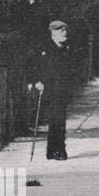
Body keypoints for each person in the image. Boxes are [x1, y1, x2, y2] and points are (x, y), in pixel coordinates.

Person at [33, 20, 73, 161]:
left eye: (65, 31)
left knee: (58, 120)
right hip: (49, 90)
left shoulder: (65, 49)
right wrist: (36, 81)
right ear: (54, 32)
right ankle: (58, 150)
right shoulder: (44, 49)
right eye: (62, 31)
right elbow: (34, 66)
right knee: (56, 120)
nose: (65, 33)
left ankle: (53, 151)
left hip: (61, 90)